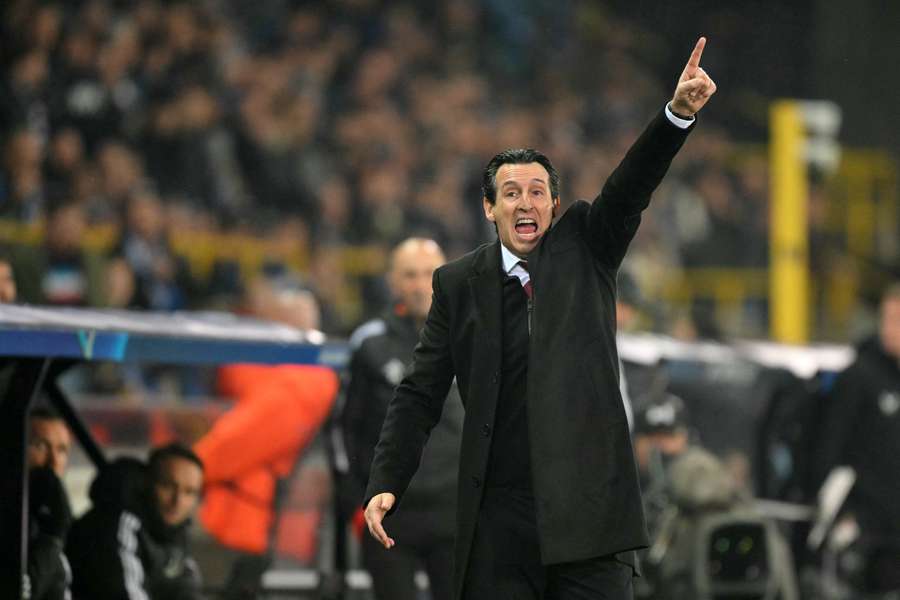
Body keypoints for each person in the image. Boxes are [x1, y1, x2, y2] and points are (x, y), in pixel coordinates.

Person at [364, 37, 716, 600]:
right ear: (489, 207)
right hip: (500, 525)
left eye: (536, 192)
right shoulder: (457, 283)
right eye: (510, 193)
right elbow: (419, 392)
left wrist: (676, 116)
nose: (525, 203)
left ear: (554, 205)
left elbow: (630, 188)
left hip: (591, 519)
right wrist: (387, 479)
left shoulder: (588, 246)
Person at [194, 280, 339, 599]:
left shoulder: (304, 381)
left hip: (246, 520)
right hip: (240, 516)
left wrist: (186, 471)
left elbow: (236, 440)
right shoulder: (282, 373)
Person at [344, 238, 463, 600]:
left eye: (430, 274)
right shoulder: (369, 344)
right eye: (410, 275)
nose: (420, 284)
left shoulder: (475, 334)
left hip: (455, 511)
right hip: (392, 513)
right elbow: (347, 428)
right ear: (393, 281)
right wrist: (355, 496)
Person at [814, 282, 900, 594]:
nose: (890, 329)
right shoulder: (858, 376)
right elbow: (830, 448)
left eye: (897, 320)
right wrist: (844, 512)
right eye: (887, 319)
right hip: (869, 532)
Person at [67, 443, 205, 600]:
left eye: (189, 492)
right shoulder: (117, 524)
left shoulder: (177, 533)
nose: (178, 501)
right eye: (167, 486)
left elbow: (186, 589)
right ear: (146, 483)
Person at [26, 407, 73, 600]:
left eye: (61, 450)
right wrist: (52, 537)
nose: (53, 461)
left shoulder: (45, 515)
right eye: (40, 446)